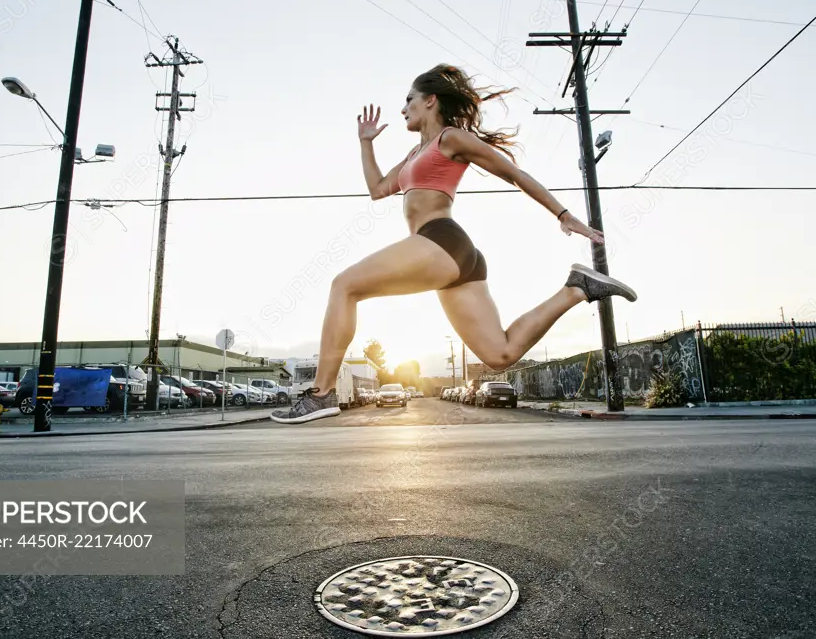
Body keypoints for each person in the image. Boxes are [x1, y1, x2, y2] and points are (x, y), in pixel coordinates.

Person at [271, 64, 636, 424]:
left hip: (441, 239)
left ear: (430, 101)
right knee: (500, 354)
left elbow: (513, 173)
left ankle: (321, 393)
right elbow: (378, 189)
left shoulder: (450, 139)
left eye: (409, 99)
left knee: (344, 286)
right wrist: (365, 143)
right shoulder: (414, 155)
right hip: (455, 258)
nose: (402, 109)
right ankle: (577, 288)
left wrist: (563, 214)